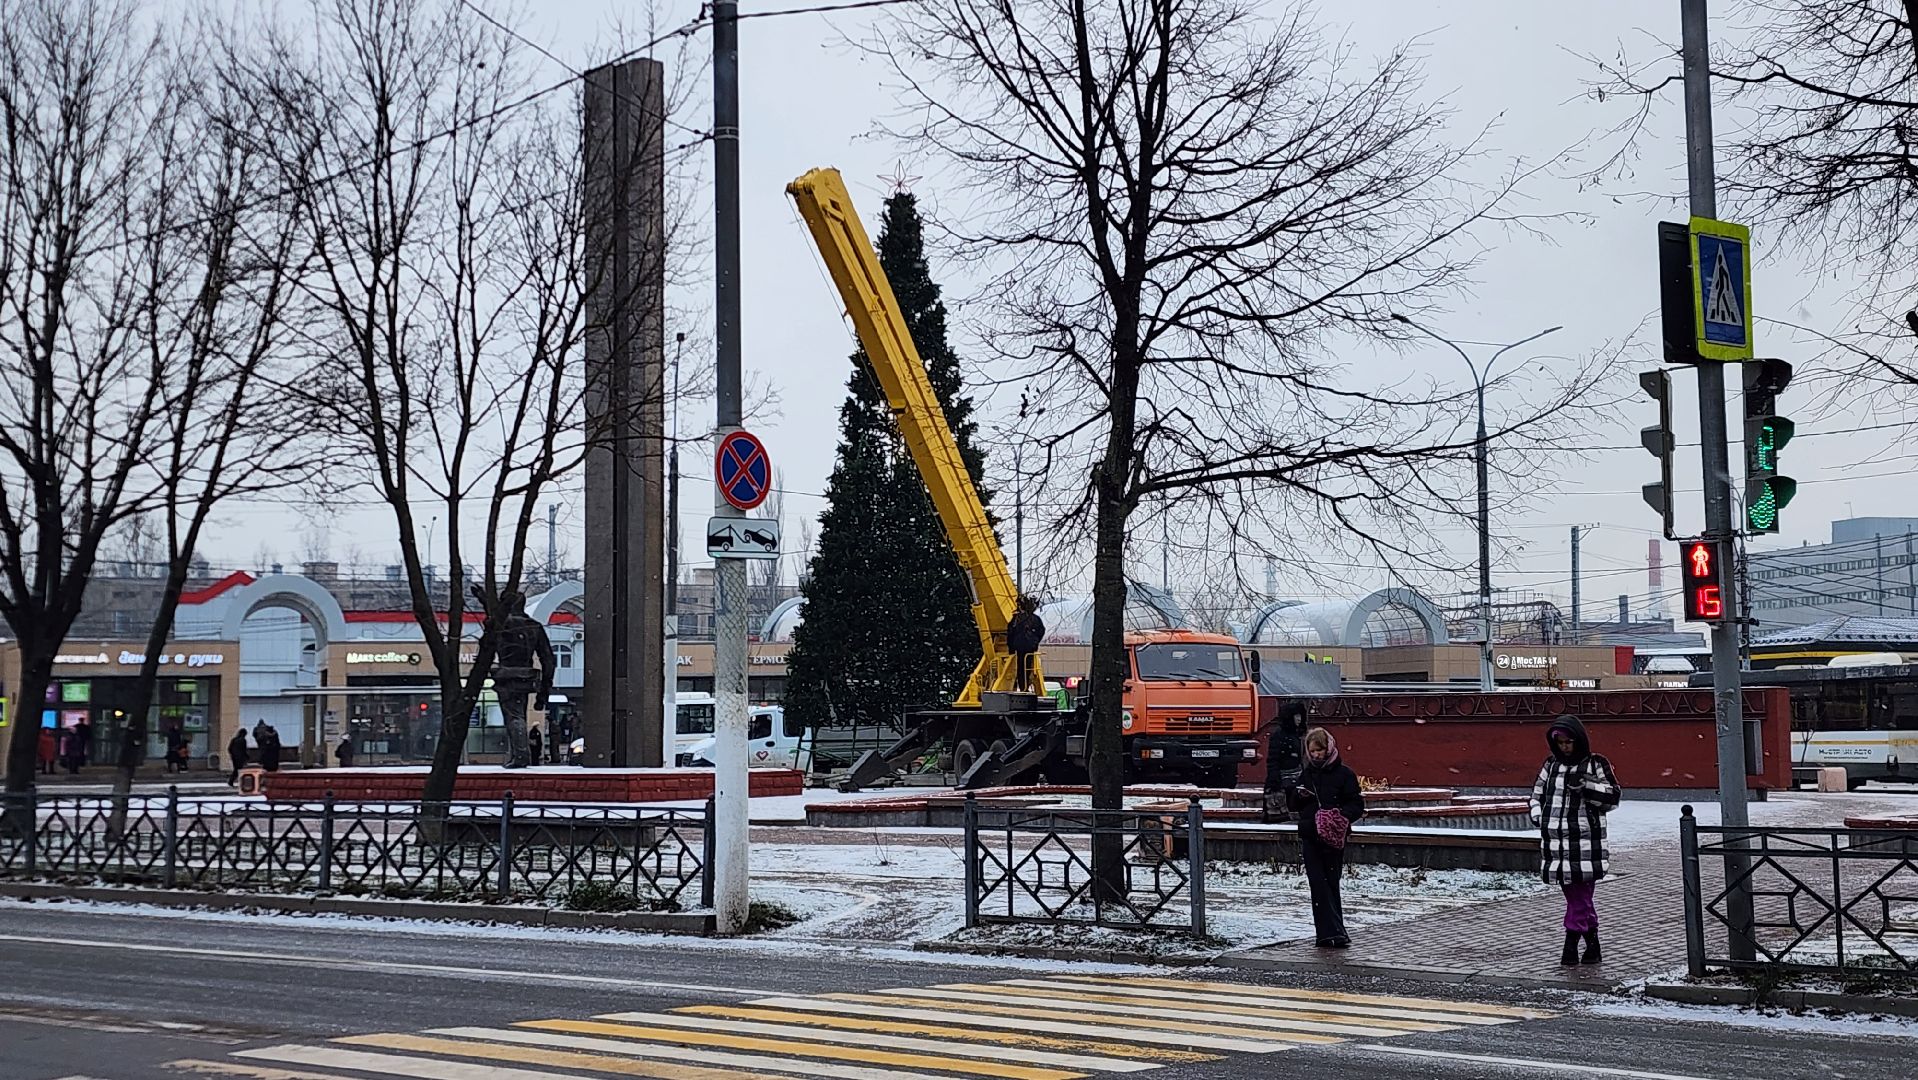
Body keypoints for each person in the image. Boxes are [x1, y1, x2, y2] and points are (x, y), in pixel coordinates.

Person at [1528, 714, 1621, 966]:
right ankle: (1593, 947)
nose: (1565, 748)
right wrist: (1540, 818)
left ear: (1578, 740)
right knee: (1577, 898)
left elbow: (1613, 797)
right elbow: (1536, 796)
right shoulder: (1550, 766)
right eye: (1560, 743)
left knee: (1580, 898)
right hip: (1556, 846)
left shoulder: (1596, 764)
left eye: (1569, 742)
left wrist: (1586, 788)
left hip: (1586, 845)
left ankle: (1570, 946)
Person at [1283, 727, 1365, 948]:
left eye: (1319, 750)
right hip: (1311, 834)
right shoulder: (1306, 774)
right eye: (1312, 751)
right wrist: (1295, 793)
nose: (1316, 755)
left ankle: (1334, 932)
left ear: (1328, 749)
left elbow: (1356, 804)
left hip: (1333, 836)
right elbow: (1294, 806)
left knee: (1330, 883)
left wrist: (1340, 816)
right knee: (1318, 884)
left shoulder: (1344, 774)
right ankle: (1328, 933)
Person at [483, 586, 555, 769]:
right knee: (518, 714)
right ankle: (518, 754)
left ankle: (521, 756)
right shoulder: (534, 626)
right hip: (525, 677)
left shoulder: (502, 625)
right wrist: (543, 693)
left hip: (507, 676)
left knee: (514, 716)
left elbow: (486, 648)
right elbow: (548, 660)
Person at [1006, 595, 1045, 693]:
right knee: (1027, 668)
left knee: (1021, 668)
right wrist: (1035, 642)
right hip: (1029, 648)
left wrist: (1011, 648)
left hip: (1019, 648)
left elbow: (1010, 633)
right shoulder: (1034, 619)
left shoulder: (1016, 619)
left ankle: (1023, 686)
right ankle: (1024, 686)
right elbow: (1041, 631)